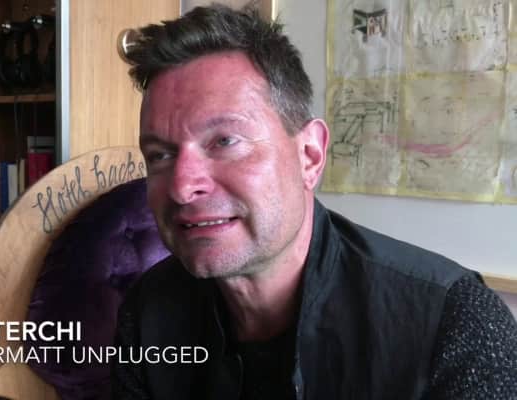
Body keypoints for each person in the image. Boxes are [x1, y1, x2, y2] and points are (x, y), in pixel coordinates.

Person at [112, 4, 517, 399]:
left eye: (224, 141)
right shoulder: (147, 314)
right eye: (160, 155)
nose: (182, 187)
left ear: (310, 156)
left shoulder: (453, 325)